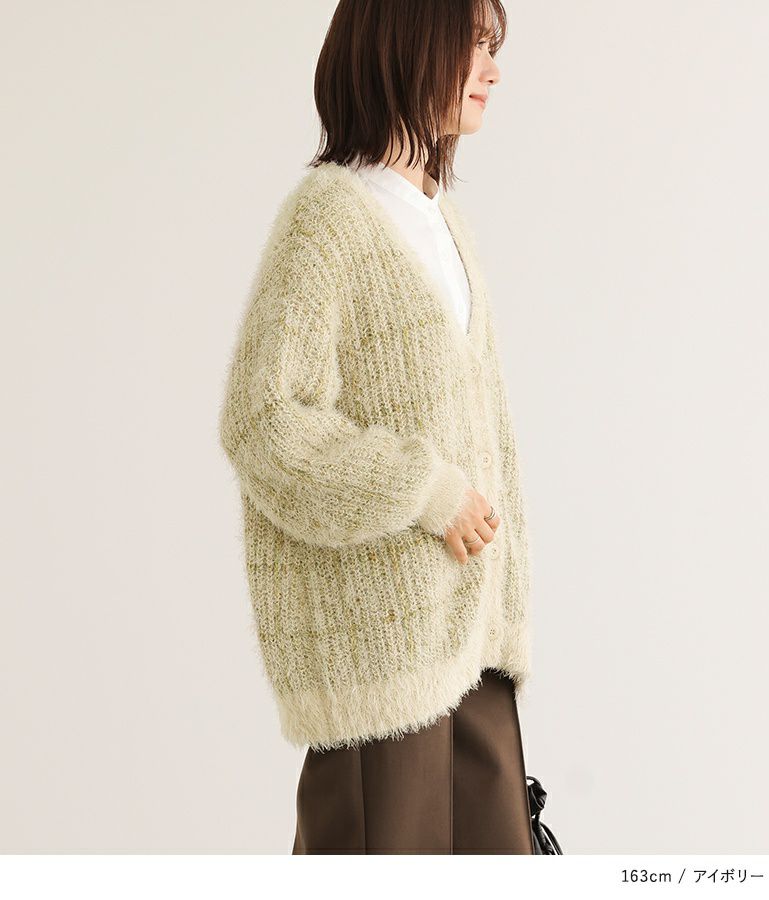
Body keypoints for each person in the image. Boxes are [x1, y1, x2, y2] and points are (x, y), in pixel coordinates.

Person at [219, 0, 535, 853]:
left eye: (493, 47)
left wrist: (506, 617)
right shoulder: (328, 217)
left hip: (473, 657)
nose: (493, 70)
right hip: (382, 667)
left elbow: (490, 436)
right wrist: (428, 491)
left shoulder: (444, 221)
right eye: (472, 45)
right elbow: (264, 419)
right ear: (407, 44)